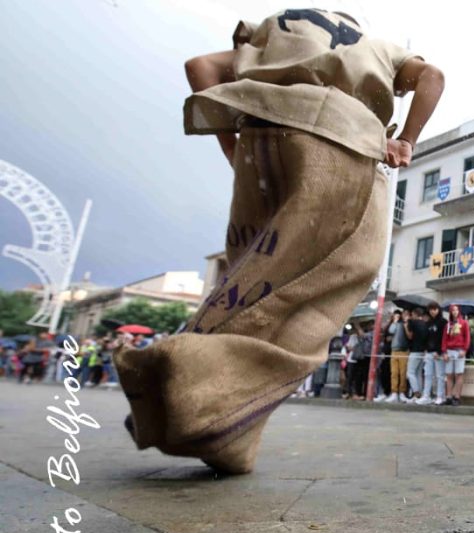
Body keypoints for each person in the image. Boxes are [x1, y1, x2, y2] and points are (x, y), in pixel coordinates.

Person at [113, 9, 445, 473]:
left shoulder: (277, 29)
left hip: (259, 134)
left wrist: (233, 147)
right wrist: (407, 139)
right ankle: (189, 376)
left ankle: (218, 428)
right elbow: (432, 75)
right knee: (334, 276)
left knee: (252, 273)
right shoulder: (377, 46)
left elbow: (199, 68)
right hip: (339, 136)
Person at [442, 304, 470, 406]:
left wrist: (465, 350)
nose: (455, 312)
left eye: (456, 310)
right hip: (449, 350)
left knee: (459, 374)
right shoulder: (448, 324)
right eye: (453, 310)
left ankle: (457, 397)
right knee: (449, 374)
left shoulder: (464, 323)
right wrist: (444, 352)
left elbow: (467, 337)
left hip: (460, 351)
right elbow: (444, 339)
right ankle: (448, 396)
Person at [423, 302, 448, 405]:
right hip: (429, 352)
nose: (433, 311)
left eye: (435, 309)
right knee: (428, 375)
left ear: (439, 310)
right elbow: (426, 338)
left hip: (439, 353)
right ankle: (426, 396)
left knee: (440, 376)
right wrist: (426, 350)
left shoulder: (443, 322)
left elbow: (444, 338)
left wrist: (439, 351)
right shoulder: (427, 323)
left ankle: (440, 396)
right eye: (431, 309)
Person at [404, 307, 429, 403]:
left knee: (410, 372)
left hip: (415, 350)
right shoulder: (425, 324)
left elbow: (410, 336)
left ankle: (416, 392)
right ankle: (420, 394)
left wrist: (406, 325)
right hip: (423, 351)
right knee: (418, 373)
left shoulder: (412, 322)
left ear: (414, 314)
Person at [386, 310, 409, 401]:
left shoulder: (406, 324)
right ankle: (394, 392)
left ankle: (402, 392)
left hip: (404, 350)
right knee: (394, 373)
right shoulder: (396, 324)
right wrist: (394, 321)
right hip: (394, 350)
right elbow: (391, 331)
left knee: (403, 373)